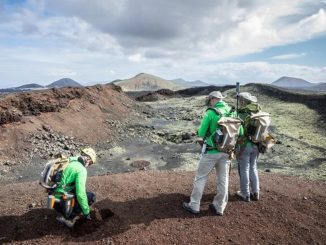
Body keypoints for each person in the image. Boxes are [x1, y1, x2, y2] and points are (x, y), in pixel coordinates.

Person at [183, 91, 232, 216]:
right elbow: (240, 132)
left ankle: (194, 205)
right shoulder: (232, 112)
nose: (209, 101)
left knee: (201, 177)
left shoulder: (211, 113)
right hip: (227, 151)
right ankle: (219, 206)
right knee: (223, 179)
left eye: (210, 99)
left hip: (211, 151)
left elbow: (201, 132)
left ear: (214, 99)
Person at [53, 147, 97, 227]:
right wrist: (86, 213)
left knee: (73, 191)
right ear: (89, 160)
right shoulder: (81, 170)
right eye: (91, 163)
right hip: (61, 199)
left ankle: (62, 212)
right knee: (91, 197)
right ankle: (68, 218)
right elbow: (80, 194)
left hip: (52, 198)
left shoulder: (70, 160)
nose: (89, 165)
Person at [236, 92, 261, 202]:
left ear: (242, 102)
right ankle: (256, 192)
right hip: (256, 144)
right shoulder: (258, 112)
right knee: (253, 167)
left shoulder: (241, 114)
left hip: (244, 145)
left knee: (244, 168)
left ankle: (245, 193)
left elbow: (237, 131)